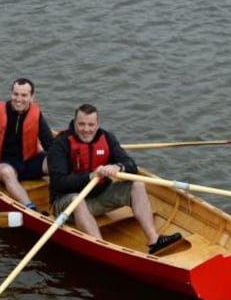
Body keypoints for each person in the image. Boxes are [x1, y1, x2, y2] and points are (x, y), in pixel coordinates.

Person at [48, 103, 183, 255]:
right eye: (82, 124)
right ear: (74, 122)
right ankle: (102, 248)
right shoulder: (61, 143)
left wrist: (119, 167)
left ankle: (154, 240)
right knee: (76, 200)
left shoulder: (107, 138)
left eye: (91, 125)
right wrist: (90, 176)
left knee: (137, 185)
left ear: (98, 124)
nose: (86, 129)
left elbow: (131, 165)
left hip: (99, 197)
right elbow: (59, 182)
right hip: (67, 204)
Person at [0, 78, 55, 211]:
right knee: (7, 172)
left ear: (32, 97)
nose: (18, 99)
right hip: (4, 164)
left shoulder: (36, 115)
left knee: (56, 161)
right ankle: (30, 208)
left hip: (30, 161)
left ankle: (63, 199)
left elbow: (50, 145)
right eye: (15, 94)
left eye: (24, 95)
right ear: (11, 94)